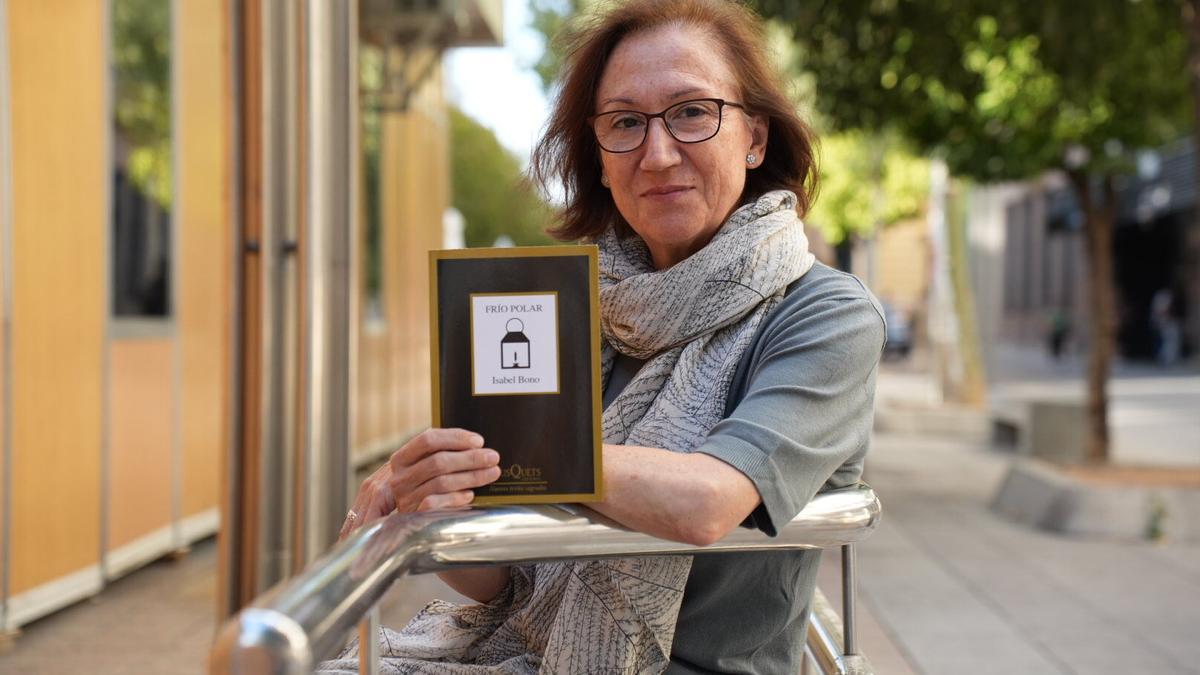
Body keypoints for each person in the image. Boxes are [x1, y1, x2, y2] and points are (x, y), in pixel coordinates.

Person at [323, 1, 884, 672]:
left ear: (755, 137)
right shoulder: (576, 307)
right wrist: (439, 490)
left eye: (692, 112)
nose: (658, 154)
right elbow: (512, 586)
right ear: (599, 155)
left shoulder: (827, 314)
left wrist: (513, 441)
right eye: (624, 122)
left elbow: (708, 503)